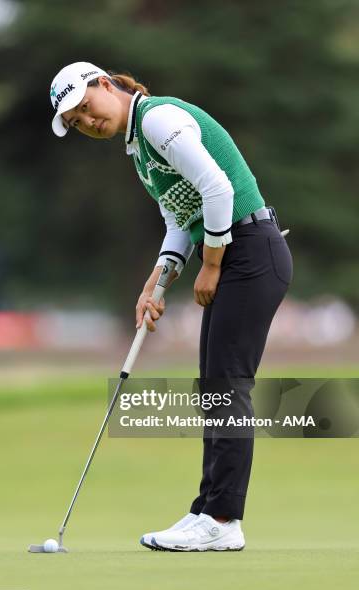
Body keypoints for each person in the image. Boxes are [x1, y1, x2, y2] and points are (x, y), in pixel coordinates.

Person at [49, 61, 293, 552]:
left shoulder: (158, 119)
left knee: (227, 388)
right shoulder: (139, 148)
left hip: (250, 249)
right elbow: (180, 221)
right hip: (235, 251)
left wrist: (212, 263)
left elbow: (218, 188)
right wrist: (155, 283)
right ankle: (207, 510)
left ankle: (223, 519)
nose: (87, 122)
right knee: (216, 388)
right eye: (76, 123)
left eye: (85, 108)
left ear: (104, 85)